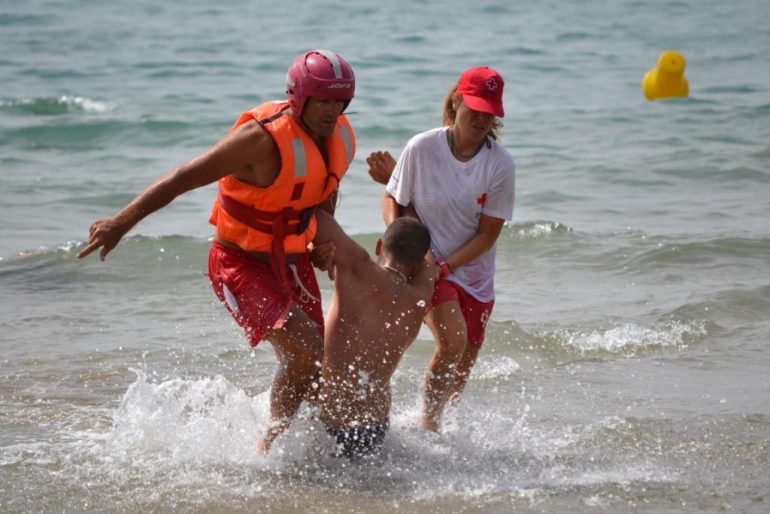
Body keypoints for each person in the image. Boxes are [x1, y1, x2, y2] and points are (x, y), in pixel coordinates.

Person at [77, 49, 357, 453]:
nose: (332, 110)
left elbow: (321, 188)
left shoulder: (339, 136)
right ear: (299, 97)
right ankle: (270, 450)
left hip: (292, 261)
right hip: (241, 265)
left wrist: (318, 244)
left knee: (317, 369)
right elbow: (183, 178)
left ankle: (311, 452)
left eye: (339, 100)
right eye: (323, 100)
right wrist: (121, 222)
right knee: (306, 351)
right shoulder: (258, 141)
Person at [374, 66, 515, 431]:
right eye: (476, 107)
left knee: (462, 364)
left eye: (490, 111)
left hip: (473, 273)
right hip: (428, 263)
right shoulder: (422, 147)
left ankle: (443, 430)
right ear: (457, 100)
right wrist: (408, 244)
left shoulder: (500, 165)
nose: (482, 118)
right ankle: (429, 428)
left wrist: (448, 266)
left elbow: (487, 234)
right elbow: (392, 197)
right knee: (453, 341)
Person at [311, 210, 437, 458]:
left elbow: (320, 219)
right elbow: (431, 268)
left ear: (379, 245)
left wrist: (315, 249)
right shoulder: (421, 293)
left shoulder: (359, 269)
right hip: (375, 426)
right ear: (419, 262)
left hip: (332, 422)